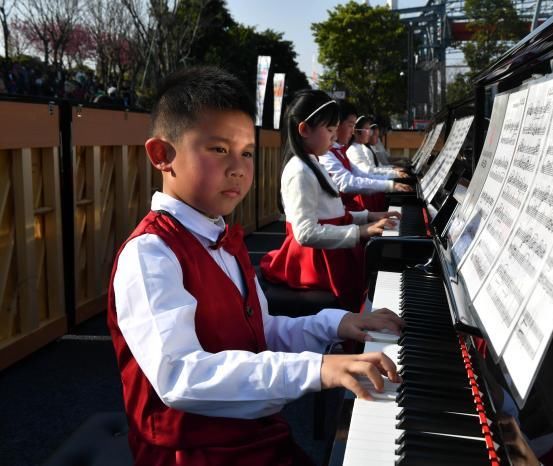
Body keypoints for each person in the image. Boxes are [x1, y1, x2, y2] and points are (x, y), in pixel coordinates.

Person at [107, 67, 404, 466]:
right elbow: (181, 377)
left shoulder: (223, 241)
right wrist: (316, 369)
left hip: (253, 436)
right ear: (162, 155)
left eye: (246, 152)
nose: (238, 167)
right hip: (192, 453)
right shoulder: (149, 254)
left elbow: (261, 332)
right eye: (218, 149)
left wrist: (335, 324)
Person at [260, 90, 400, 313]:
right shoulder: (299, 170)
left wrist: (369, 217)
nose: (335, 137)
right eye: (330, 129)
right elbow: (305, 233)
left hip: (331, 253)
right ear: (304, 129)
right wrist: (360, 231)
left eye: (336, 129)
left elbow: (331, 212)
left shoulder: (313, 162)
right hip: (316, 262)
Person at [319, 100, 413, 213]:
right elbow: (348, 182)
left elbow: (361, 174)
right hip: (348, 209)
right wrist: (391, 181)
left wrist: (392, 181)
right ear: (337, 125)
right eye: (350, 125)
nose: (352, 131)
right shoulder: (330, 153)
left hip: (348, 210)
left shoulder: (341, 150)